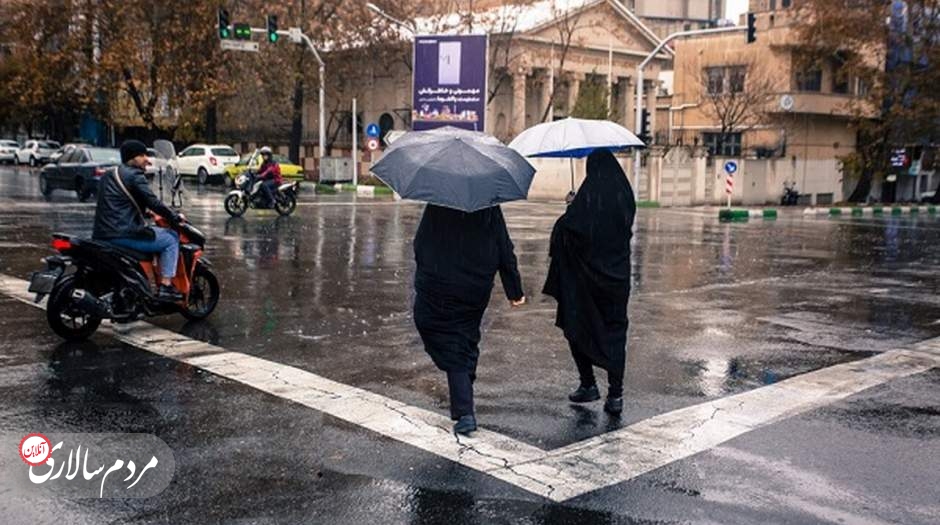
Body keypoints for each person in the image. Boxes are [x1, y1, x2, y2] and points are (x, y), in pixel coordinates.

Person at [413, 204, 526, 435]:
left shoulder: (440, 202)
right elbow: (504, 247)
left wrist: (427, 273)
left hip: (441, 283)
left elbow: (420, 244)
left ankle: (465, 411)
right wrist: (514, 290)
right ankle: (464, 379)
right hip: (476, 286)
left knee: (448, 340)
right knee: (465, 335)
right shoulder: (489, 205)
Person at [543, 149, 636, 416]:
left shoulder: (589, 197)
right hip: (617, 280)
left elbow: (570, 231)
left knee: (576, 326)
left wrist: (571, 207)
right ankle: (615, 395)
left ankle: (588, 383)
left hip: (585, 283)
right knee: (616, 334)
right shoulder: (624, 195)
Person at [93, 140, 185, 301]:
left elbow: (118, 203)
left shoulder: (110, 174)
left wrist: (147, 213)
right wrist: (174, 218)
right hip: (124, 234)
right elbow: (153, 201)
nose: (147, 159)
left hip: (102, 233)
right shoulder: (135, 176)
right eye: (142, 155)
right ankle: (166, 286)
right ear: (132, 158)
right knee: (171, 238)